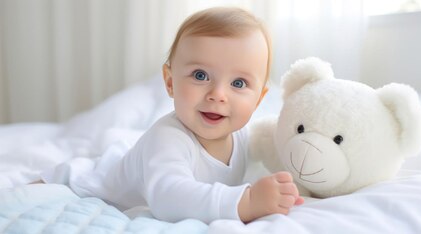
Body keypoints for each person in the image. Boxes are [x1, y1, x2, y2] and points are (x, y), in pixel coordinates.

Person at [38, 7, 304, 224]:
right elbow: (168, 198)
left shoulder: (244, 135)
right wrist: (246, 202)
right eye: (200, 75)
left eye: (238, 83)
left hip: (136, 161)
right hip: (96, 179)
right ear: (170, 82)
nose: (218, 94)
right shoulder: (168, 139)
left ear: (259, 99)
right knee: (52, 180)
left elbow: (276, 148)